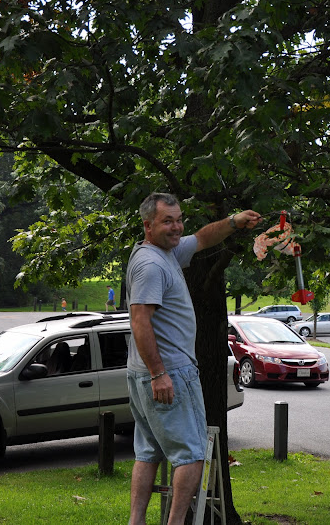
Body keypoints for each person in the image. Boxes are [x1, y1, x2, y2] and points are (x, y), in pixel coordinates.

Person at [126, 192, 261, 525]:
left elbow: (202, 238)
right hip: (168, 373)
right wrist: (159, 373)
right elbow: (140, 320)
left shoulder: (166, 252)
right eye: (167, 221)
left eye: (178, 220)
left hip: (147, 373)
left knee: (148, 452)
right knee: (191, 456)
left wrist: (234, 222)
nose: (176, 227)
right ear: (148, 225)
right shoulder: (151, 265)